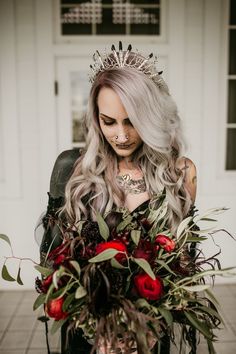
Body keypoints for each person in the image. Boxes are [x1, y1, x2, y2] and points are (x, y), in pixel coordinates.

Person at [39, 42, 197, 354]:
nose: (121, 135)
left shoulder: (180, 174)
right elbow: (51, 262)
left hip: (148, 336)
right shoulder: (71, 169)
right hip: (88, 337)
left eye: (132, 121)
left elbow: (182, 264)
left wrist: (150, 327)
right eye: (109, 121)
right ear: (95, 117)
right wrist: (94, 325)